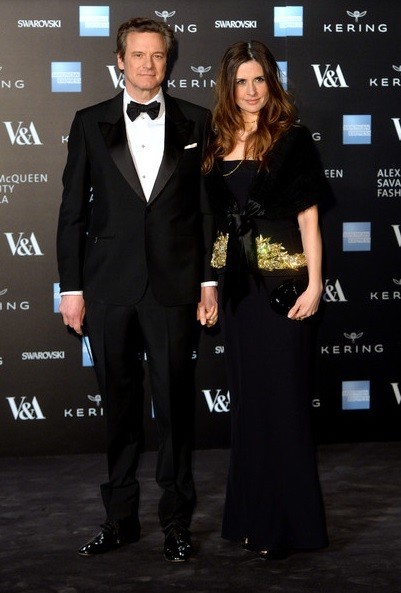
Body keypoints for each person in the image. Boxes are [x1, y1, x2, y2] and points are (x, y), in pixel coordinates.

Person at [57, 17, 217, 562]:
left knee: (174, 411)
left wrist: (209, 280)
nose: (149, 65)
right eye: (138, 55)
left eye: (158, 55)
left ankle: (176, 523)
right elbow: (72, 213)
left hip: (173, 288)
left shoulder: (197, 120)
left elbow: (207, 212)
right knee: (119, 413)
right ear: (120, 61)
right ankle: (120, 519)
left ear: (168, 62)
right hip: (107, 288)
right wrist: (71, 288)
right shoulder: (89, 121)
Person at [202, 40, 329, 559]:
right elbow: (216, 226)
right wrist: (209, 286)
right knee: (249, 408)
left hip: (284, 289)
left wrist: (316, 285)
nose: (252, 91)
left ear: (271, 82)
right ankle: (252, 520)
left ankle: (289, 527)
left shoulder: (292, 139)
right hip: (238, 293)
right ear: (228, 87)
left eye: (259, 79)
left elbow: (309, 221)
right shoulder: (216, 141)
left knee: (285, 405)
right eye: (241, 82)